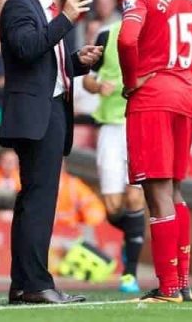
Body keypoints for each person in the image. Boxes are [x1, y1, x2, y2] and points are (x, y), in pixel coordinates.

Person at [0, 0, 102, 305]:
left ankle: (25, 283)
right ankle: (35, 284)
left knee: (35, 201)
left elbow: (44, 65)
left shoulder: (49, 9)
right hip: (36, 115)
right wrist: (67, 19)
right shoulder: (20, 5)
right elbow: (26, 50)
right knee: (38, 201)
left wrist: (77, 62)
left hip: (51, 109)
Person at [117, 0, 192, 303]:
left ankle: (167, 289)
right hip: (185, 93)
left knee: (157, 193)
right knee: (177, 190)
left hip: (152, 96)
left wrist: (132, 79)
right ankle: (181, 282)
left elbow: (128, 38)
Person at [83, 20, 145, 293]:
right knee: (112, 207)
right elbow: (86, 77)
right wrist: (97, 87)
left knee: (135, 196)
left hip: (141, 123)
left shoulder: (154, 32)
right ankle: (131, 235)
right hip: (110, 126)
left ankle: (129, 274)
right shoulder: (107, 34)